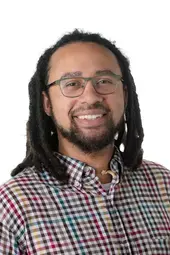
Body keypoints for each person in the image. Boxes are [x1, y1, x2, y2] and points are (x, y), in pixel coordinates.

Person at [0, 29, 170, 254]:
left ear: (125, 95)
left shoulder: (163, 184)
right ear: (47, 103)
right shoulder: (11, 208)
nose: (90, 97)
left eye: (104, 81)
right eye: (71, 84)